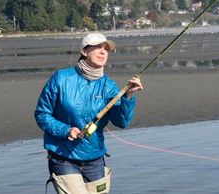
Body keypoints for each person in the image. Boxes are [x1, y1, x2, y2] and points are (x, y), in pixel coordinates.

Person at [35, 32, 143, 194]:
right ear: (84, 51)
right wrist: (66, 130)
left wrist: (128, 96)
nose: (103, 51)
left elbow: (121, 122)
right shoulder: (60, 78)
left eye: (106, 49)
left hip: (95, 158)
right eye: (98, 47)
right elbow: (42, 114)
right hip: (63, 156)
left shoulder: (108, 86)